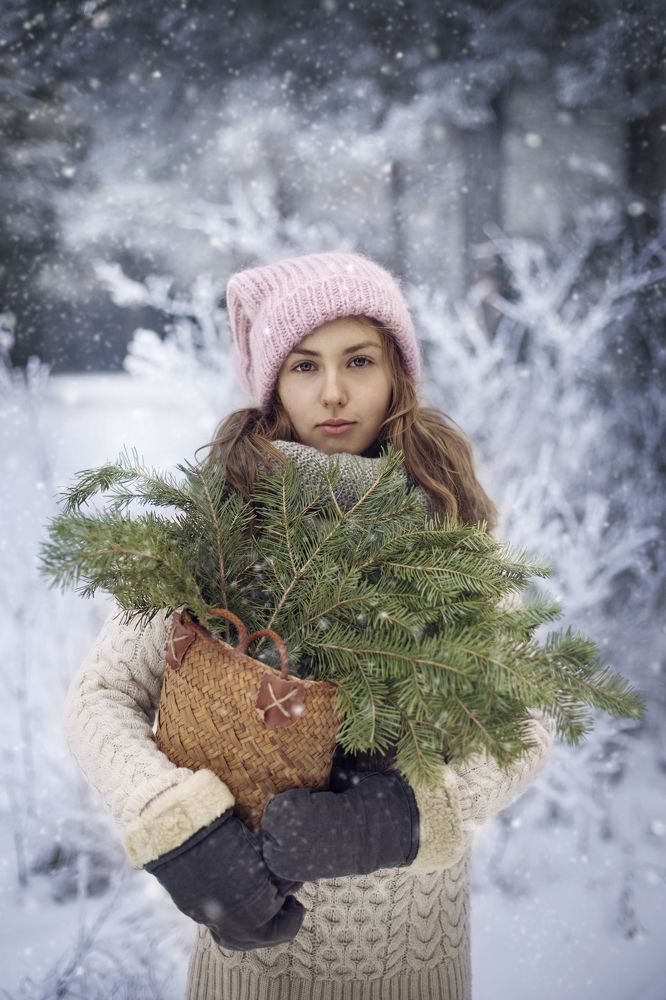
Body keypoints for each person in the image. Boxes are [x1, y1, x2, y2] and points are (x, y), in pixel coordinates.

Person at [63, 251, 554, 1000]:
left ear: (396, 374)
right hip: (249, 975)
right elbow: (100, 697)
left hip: (417, 967)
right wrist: (186, 833)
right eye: (303, 366)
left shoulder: (449, 528)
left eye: (358, 360)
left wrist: (405, 820)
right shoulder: (218, 526)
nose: (333, 392)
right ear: (273, 388)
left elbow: (525, 717)